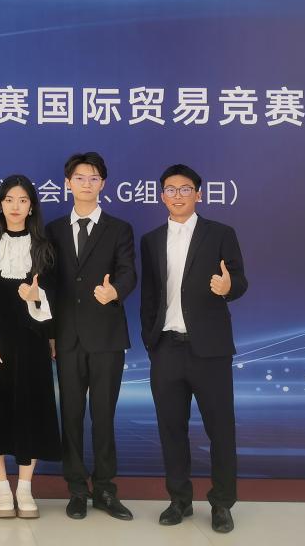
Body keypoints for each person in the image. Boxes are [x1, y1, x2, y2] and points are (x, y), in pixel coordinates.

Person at [139, 164, 248, 535]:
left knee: (221, 430)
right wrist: (151, 340)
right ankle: (179, 500)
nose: (178, 195)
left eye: (185, 189)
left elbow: (240, 280)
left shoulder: (221, 234)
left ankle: (222, 503)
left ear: (198, 194)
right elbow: (150, 295)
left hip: (210, 350)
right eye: (170, 189)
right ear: (162, 196)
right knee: (171, 429)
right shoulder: (151, 240)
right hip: (167, 348)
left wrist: (228, 287)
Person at [0, 175, 60, 519]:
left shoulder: (45, 248)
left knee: (30, 411)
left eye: (22, 200)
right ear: (0, 205)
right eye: (9, 200)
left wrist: (36, 296)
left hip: (32, 343)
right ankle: (1, 487)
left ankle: (25, 488)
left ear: (31, 206)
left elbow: (53, 301)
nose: (15, 206)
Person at [44, 151, 136, 521]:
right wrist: (50, 332)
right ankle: (77, 490)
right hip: (66, 338)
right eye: (80, 178)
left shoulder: (119, 229)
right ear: (68, 183)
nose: (86, 183)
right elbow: (49, 284)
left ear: (103, 184)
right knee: (70, 415)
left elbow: (128, 272)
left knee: (103, 415)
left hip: (107, 337)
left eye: (93, 178)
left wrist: (116, 292)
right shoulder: (52, 230)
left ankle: (106, 489)